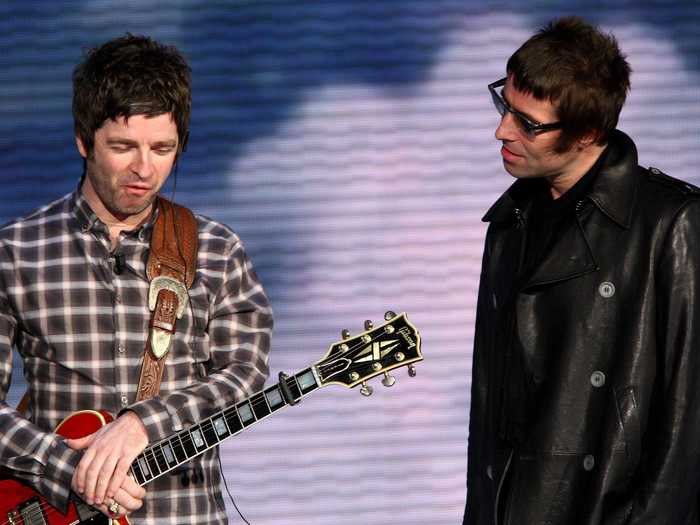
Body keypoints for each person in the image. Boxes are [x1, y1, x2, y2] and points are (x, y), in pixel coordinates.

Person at [0, 35, 272, 523]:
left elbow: (244, 377)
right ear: (84, 140)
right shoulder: (14, 251)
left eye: (163, 148)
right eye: (123, 147)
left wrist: (144, 423)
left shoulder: (217, 249)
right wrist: (70, 468)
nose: (144, 169)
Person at [464, 16, 700, 524]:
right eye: (504, 104)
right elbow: (490, 418)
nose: (501, 129)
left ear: (587, 132)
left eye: (528, 123)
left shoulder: (672, 223)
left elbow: (689, 420)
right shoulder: (508, 224)